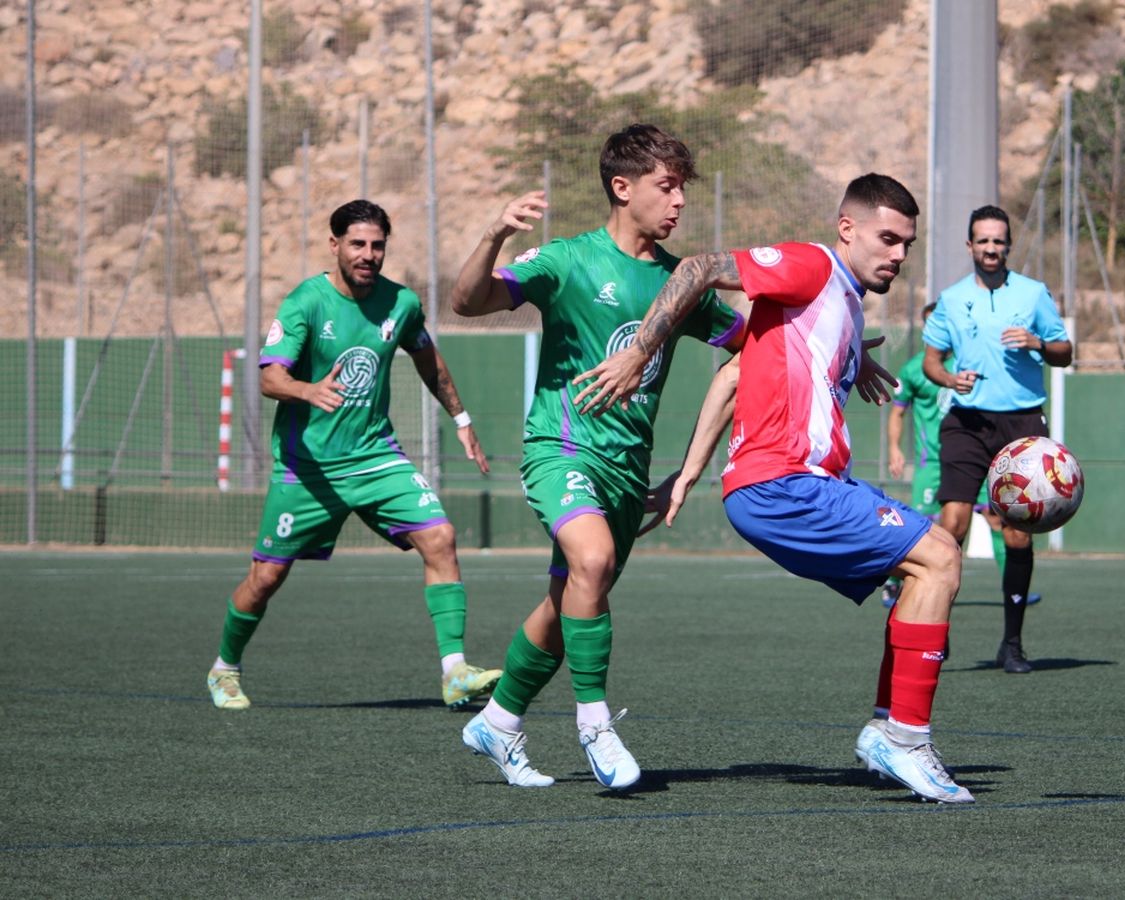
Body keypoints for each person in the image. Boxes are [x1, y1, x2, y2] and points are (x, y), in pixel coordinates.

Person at [574, 173, 975, 804]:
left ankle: (889, 731)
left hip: (781, 487)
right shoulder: (811, 267)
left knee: (918, 576)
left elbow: (733, 377)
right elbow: (703, 267)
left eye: (908, 244)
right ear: (847, 229)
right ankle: (903, 737)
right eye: (888, 238)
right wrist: (640, 351)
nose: (899, 255)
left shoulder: (836, 301)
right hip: (786, 485)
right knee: (942, 557)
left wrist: (689, 473)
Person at [449, 124, 745, 790]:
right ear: (622, 188)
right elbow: (466, 302)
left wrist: (827, 335)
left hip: (626, 470)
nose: (678, 204)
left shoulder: (681, 285)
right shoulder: (569, 261)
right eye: (666, 188)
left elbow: (753, 343)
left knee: (569, 600)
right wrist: (496, 234)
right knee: (592, 561)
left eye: (681, 191)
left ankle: (497, 721)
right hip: (560, 448)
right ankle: (595, 725)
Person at [205, 199, 500, 712]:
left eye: (378, 245)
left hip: (374, 456)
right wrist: (307, 391)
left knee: (440, 537)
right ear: (335, 244)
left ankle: (455, 672)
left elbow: (431, 363)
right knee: (266, 577)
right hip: (308, 468)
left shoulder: (402, 304)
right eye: (358, 244)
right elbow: (270, 376)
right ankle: (224, 669)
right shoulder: (305, 303)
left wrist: (462, 420)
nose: (369, 254)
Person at [922, 205, 1072, 674]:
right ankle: (935, 630)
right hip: (967, 421)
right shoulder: (949, 298)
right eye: (982, 241)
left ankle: (1012, 643)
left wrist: (1038, 344)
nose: (990, 249)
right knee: (954, 525)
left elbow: (1065, 352)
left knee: (1016, 535)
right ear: (970, 246)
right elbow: (931, 362)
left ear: (1008, 245)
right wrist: (949, 380)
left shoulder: (1033, 295)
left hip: (1022, 425)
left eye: (998, 241)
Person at [884, 302, 1039, 609]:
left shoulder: (967, 363)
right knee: (925, 527)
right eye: (932, 327)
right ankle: (893, 582)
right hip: (932, 462)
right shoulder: (915, 368)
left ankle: (1013, 588)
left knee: (997, 518)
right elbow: (897, 413)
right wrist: (894, 448)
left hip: (970, 458)